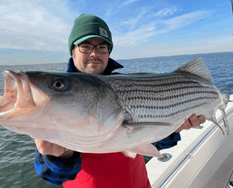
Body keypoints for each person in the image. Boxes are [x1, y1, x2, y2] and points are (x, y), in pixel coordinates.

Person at [34, 14, 206, 188]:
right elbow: (53, 176)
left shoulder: (129, 87)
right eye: (85, 46)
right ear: (73, 50)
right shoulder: (60, 98)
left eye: (102, 47)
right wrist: (61, 156)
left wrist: (173, 127)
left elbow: (154, 141)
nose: (94, 53)